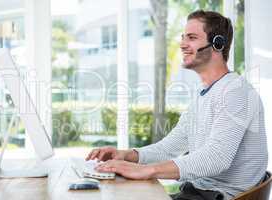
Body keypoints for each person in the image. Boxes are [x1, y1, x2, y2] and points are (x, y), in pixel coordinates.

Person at [86, 10, 268, 200]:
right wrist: (126, 155)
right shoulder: (205, 93)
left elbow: (216, 158)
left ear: (217, 44)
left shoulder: (236, 91)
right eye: (183, 38)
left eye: (191, 37)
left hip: (216, 196)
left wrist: (147, 170)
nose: (182, 44)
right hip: (197, 192)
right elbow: (171, 146)